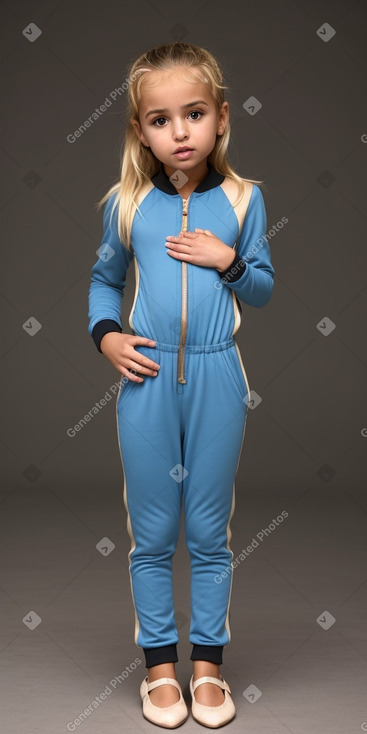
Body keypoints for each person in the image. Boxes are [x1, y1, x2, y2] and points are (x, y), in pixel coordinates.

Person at [88, 41, 275, 729]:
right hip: (149, 377)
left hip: (218, 374)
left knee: (207, 529)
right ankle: (159, 669)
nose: (179, 131)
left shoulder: (243, 199)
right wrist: (107, 334)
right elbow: (104, 279)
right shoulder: (127, 203)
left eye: (193, 114)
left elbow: (260, 288)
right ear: (140, 130)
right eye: (161, 119)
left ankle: (208, 669)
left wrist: (228, 261)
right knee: (152, 529)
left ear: (220, 118)